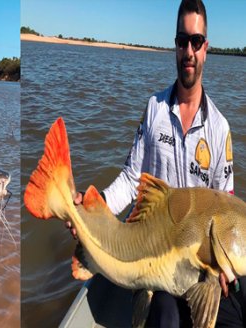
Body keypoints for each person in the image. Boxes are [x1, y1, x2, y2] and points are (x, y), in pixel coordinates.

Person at [69, 0, 245, 326]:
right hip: (158, 256)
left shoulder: (220, 128)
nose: (188, 51)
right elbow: (131, 177)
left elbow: (226, 198)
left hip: (204, 267)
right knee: (165, 313)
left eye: (196, 42)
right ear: (175, 46)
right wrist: (95, 205)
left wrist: (224, 269)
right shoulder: (155, 109)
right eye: (182, 41)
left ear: (206, 48)